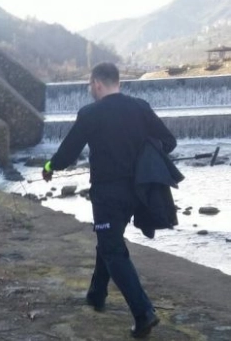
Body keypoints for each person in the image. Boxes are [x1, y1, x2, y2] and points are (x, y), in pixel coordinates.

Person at [42, 62, 176, 339]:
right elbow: (168, 141)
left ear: (98, 84)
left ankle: (143, 313)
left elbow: (69, 152)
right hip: (138, 192)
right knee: (109, 239)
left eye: (91, 85)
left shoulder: (91, 113)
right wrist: (144, 157)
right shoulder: (140, 107)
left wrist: (49, 167)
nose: (90, 89)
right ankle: (96, 294)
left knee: (113, 248)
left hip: (108, 196)